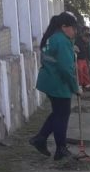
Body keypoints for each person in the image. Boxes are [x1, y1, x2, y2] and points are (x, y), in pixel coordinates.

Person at [30, 12, 81, 160]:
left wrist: (71, 48)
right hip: (58, 82)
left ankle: (41, 139)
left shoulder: (54, 37)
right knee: (62, 115)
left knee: (58, 114)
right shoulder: (61, 41)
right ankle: (60, 149)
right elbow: (65, 69)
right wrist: (75, 87)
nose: (75, 32)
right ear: (64, 27)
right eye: (73, 28)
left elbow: (57, 56)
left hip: (50, 80)